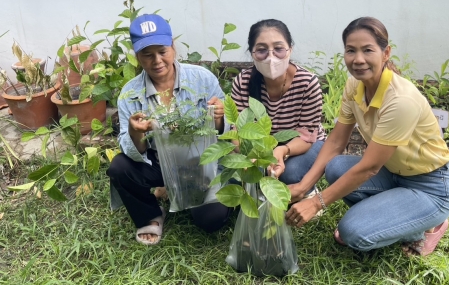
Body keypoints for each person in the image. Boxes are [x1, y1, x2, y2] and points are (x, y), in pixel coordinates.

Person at [285, 17, 449, 256]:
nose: (358, 59)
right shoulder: (354, 86)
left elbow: (369, 168)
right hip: (393, 173)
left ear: (386, 53)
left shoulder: (400, 100)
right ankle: (387, 216)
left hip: (431, 186)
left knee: (354, 233)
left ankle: (427, 226)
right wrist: (303, 186)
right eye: (351, 50)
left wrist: (316, 203)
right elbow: (336, 142)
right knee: (336, 168)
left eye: (367, 50)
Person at [107, 14, 231, 245]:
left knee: (210, 219)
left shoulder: (202, 79)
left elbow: (226, 132)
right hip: (160, 163)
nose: (157, 61)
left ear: (173, 46)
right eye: (147, 54)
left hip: (200, 163)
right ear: (137, 56)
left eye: (162, 51)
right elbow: (131, 149)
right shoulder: (130, 94)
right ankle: (151, 215)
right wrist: (136, 132)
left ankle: (181, 190)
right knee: (120, 167)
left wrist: (220, 118)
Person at [231, 19, 325, 187]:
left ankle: (307, 189)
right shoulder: (243, 82)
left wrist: (281, 151)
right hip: (262, 147)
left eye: (279, 49)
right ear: (252, 53)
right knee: (236, 174)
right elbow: (238, 132)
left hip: (303, 145)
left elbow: (306, 137)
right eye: (261, 50)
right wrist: (250, 157)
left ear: (290, 50)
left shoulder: (307, 83)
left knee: (290, 173)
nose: (271, 57)